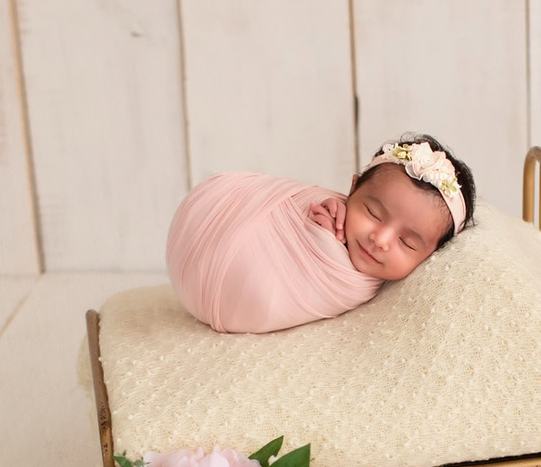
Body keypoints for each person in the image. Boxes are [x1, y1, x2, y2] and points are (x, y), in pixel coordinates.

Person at [165, 132, 476, 334]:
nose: (379, 240)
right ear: (352, 188)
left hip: (231, 294)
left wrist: (325, 250)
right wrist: (314, 223)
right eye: (372, 213)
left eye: (406, 242)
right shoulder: (328, 208)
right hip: (201, 235)